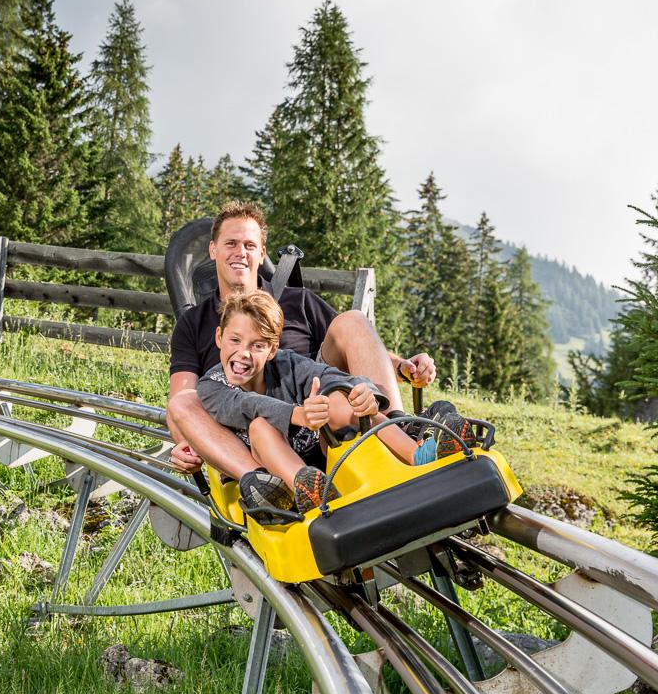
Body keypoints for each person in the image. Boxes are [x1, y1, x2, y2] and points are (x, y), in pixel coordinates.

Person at [167, 201, 440, 478]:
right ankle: (261, 482)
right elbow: (183, 400)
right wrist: (184, 443)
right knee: (183, 402)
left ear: (261, 254)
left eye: (249, 245)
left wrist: (403, 366)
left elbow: (348, 352)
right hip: (250, 435)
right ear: (213, 250)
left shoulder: (298, 300)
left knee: (353, 320)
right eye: (231, 243)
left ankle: (400, 431)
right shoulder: (194, 323)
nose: (240, 253)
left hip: (321, 417)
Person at [197, 290, 463, 518]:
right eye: (235, 340)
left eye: (257, 345)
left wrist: (365, 394)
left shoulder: (286, 364)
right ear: (219, 337)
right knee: (258, 426)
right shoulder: (212, 386)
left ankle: (418, 454)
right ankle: (310, 491)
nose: (243, 353)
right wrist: (297, 414)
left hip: (322, 451)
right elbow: (246, 404)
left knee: (343, 397)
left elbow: (330, 376)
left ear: (272, 350)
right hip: (278, 468)